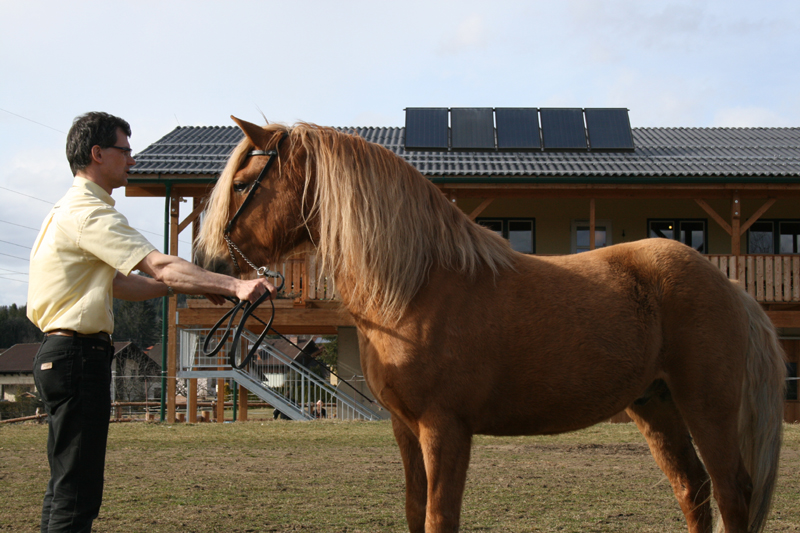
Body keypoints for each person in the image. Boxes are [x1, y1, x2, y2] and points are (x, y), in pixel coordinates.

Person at [27, 111, 276, 533]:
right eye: (125, 150)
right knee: (77, 494)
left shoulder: (67, 211)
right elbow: (160, 265)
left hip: (60, 356)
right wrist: (236, 285)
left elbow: (121, 283)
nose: (133, 160)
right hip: (78, 358)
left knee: (65, 485)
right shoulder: (89, 213)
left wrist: (186, 286)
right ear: (97, 153)